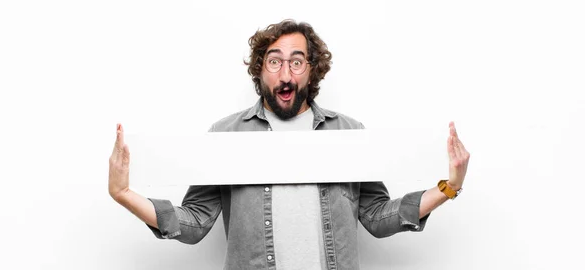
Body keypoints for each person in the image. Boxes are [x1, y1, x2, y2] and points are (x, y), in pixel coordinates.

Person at [108, 19, 470, 270]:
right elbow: (194, 223)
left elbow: (377, 217)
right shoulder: (226, 135)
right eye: (275, 61)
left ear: (312, 70)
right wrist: (124, 194)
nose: (286, 74)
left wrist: (449, 186)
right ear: (260, 70)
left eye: (297, 62)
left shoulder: (348, 132)